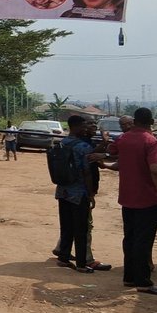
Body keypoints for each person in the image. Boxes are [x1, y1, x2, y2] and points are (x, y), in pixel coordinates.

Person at [108, 108, 157, 295]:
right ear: (151, 121)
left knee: (130, 238)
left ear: (134, 121)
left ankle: (129, 277)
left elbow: (112, 152)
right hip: (147, 198)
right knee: (143, 241)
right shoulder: (150, 141)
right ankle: (143, 281)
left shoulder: (123, 139)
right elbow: (155, 170)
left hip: (127, 198)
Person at [54, 115, 98, 273]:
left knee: (66, 226)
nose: (86, 128)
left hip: (62, 191)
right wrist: (91, 194)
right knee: (81, 228)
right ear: (77, 126)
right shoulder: (82, 147)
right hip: (79, 193)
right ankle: (81, 263)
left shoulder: (61, 143)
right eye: (84, 125)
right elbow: (87, 172)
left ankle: (63, 257)